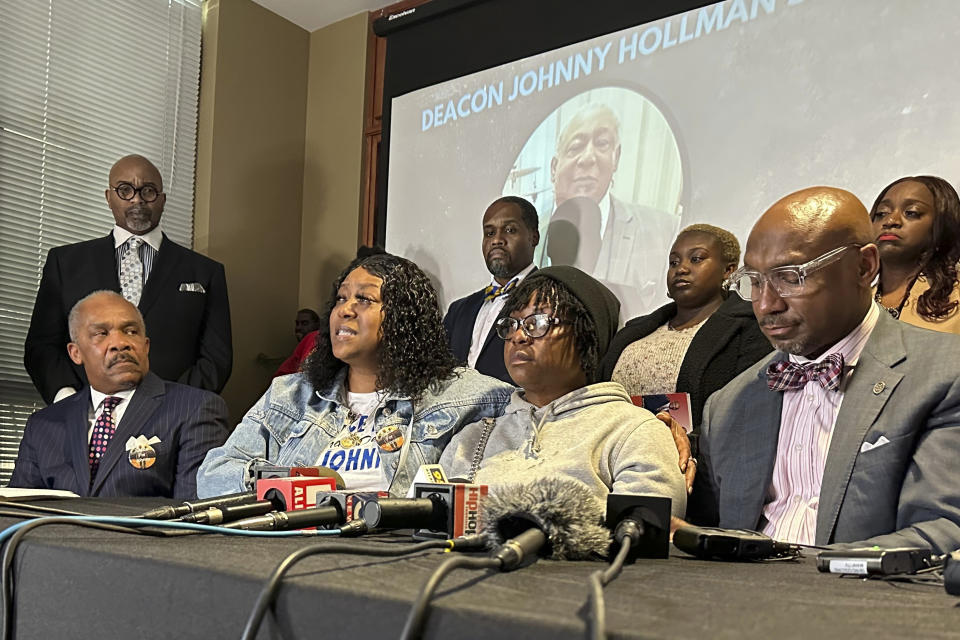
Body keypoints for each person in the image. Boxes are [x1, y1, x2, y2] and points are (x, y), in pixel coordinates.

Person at [690, 186, 960, 554]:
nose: (766, 304)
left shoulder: (946, 373)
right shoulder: (727, 405)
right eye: (754, 281)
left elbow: (944, 530)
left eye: (790, 276)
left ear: (864, 267)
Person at [198, 253, 514, 498]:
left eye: (363, 299)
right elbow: (213, 474)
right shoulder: (290, 395)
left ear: (404, 318)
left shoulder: (466, 397)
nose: (345, 309)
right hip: (290, 549)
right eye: (340, 298)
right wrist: (295, 484)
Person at [441, 266, 688, 513]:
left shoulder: (633, 431)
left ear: (587, 335)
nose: (518, 336)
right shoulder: (470, 440)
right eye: (511, 324)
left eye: (537, 322)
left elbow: (645, 536)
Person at [23, 154, 232, 405]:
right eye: (125, 190)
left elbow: (216, 359)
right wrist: (69, 402)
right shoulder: (65, 262)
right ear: (109, 197)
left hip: (172, 419)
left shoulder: (205, 272)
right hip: (82, 417)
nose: (137, 199)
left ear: (162, 200)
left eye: (149, 191)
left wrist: (174, 407)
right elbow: (42, 346)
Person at [9, 291, 230, 498]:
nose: (120, 343)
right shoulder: (42, 425)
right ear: (75, 353)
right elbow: (17, 517)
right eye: (101, 333)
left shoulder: (195, 409)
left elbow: (192, 517)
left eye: (131, 331)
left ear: (145, 346)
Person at [600, 224, 771, 433]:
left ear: (728, 270)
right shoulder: (635, 331)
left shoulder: (749, 328)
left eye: (696, 259)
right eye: (674, 262)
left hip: (690, 459)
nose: (681, 268)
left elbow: (746, 411)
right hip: (613, 451)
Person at [544, 104, 679, 312]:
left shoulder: (664, 230)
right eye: (575, 147)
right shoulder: (530, 236)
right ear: (554, 167)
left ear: (616, 157)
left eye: (602, 144)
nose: (588, 158)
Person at [443, 196, 539, 384]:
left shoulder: (547, 300)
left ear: (533, 237)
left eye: (510, 230)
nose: (497, 240)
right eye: (489, 233)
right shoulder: (459, 309)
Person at [870, 175, 960, 334]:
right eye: (881, 213)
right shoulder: (853, 304)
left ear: (941, 226)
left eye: (911, 212)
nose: (891, 220)